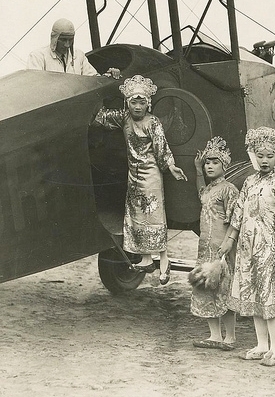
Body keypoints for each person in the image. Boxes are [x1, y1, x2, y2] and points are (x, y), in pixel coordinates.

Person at [94, 74, 187, 284]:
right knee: (137, 218)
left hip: (151, 176)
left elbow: (161, 148)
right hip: (133, 176)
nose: (137, 107)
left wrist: (171, 167)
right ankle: (146, 259)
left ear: (148, 103)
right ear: (128, 103)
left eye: (141, 102)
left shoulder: (153, 122)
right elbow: (101, 117)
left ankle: (164, 261)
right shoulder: (124, 118)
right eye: (134, 102)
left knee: (154, 218)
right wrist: (104, 82)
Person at [219, 127, 275, 367]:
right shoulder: (249, 182)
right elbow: (238, 213)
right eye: (260, 155)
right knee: (253, 293)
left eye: (270, 156)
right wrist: (229, 240)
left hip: (270, 247)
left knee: (270, 295)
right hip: (247, 247)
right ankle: (261, 345)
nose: (265, 160)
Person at [190, 137, 239, 350]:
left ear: (224, 165)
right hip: (205, 247)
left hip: (222, 248)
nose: (209, 165)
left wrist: (229, 243)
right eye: (207, 162)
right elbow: (201, 193)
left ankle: (230, 337)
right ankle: (214, 336)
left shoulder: (229, 189)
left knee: (224, 290)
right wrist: (197, 170)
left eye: (214, 162)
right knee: (206, 287)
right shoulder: (209, 190)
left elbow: (236, 219)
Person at [27, 18, 120, 78]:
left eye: (70, 40)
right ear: (54, 38)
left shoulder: (79, 55)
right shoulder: (37, 56)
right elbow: (35, 86)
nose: (67, 45)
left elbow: (93, 80)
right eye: (63, 40)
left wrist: (108, 75)